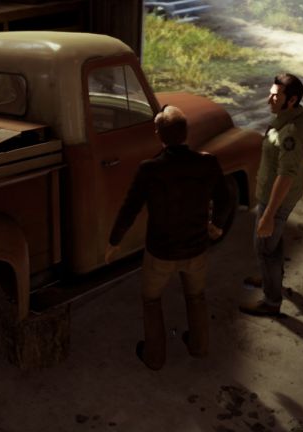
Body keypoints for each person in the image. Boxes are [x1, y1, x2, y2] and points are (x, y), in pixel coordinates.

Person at [105, 105, 231, 370]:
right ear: (186, 132)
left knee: (151, 301)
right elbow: (224, 198)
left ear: (158, 134)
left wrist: (114, 241)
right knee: (196, 297)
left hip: (160, 252)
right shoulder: (207, 163)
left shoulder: (149, 169)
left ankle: (154, 357)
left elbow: (130, 208)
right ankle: (199, 346)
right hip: (196, 249)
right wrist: (217, 226)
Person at [239, 74, 303, 317]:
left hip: (276, 198)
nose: (268, 99)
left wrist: (268, 215)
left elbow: (286, 175)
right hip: (281, 194)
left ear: (292, 100)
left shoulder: (290, 131)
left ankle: (271, 302)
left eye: (275, 96)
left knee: (264, 248)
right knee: (273, 242)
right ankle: (271, 276)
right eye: (271, 94)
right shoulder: (295, 117)